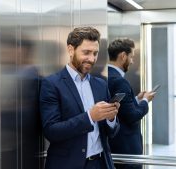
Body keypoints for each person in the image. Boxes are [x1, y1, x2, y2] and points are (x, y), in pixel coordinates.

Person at [39, 27, 120, 169]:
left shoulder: (101, 84)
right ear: (71, 50)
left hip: (101, 163)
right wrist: (90, 116)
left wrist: (111, 118)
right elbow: (51, 131)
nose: (92, 59)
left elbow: (111, 132)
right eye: (86, 52)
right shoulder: (51, 84)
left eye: (95, 53)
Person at [107, 38, 155, 169]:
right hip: (126, 148)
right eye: (131, 56)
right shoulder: (120, 81)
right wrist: (145, 101)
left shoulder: (106, 76)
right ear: (123, 56)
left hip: (113, 146)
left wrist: (136, 99)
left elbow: (119, 106)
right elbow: (132, 116)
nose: (132, 61)